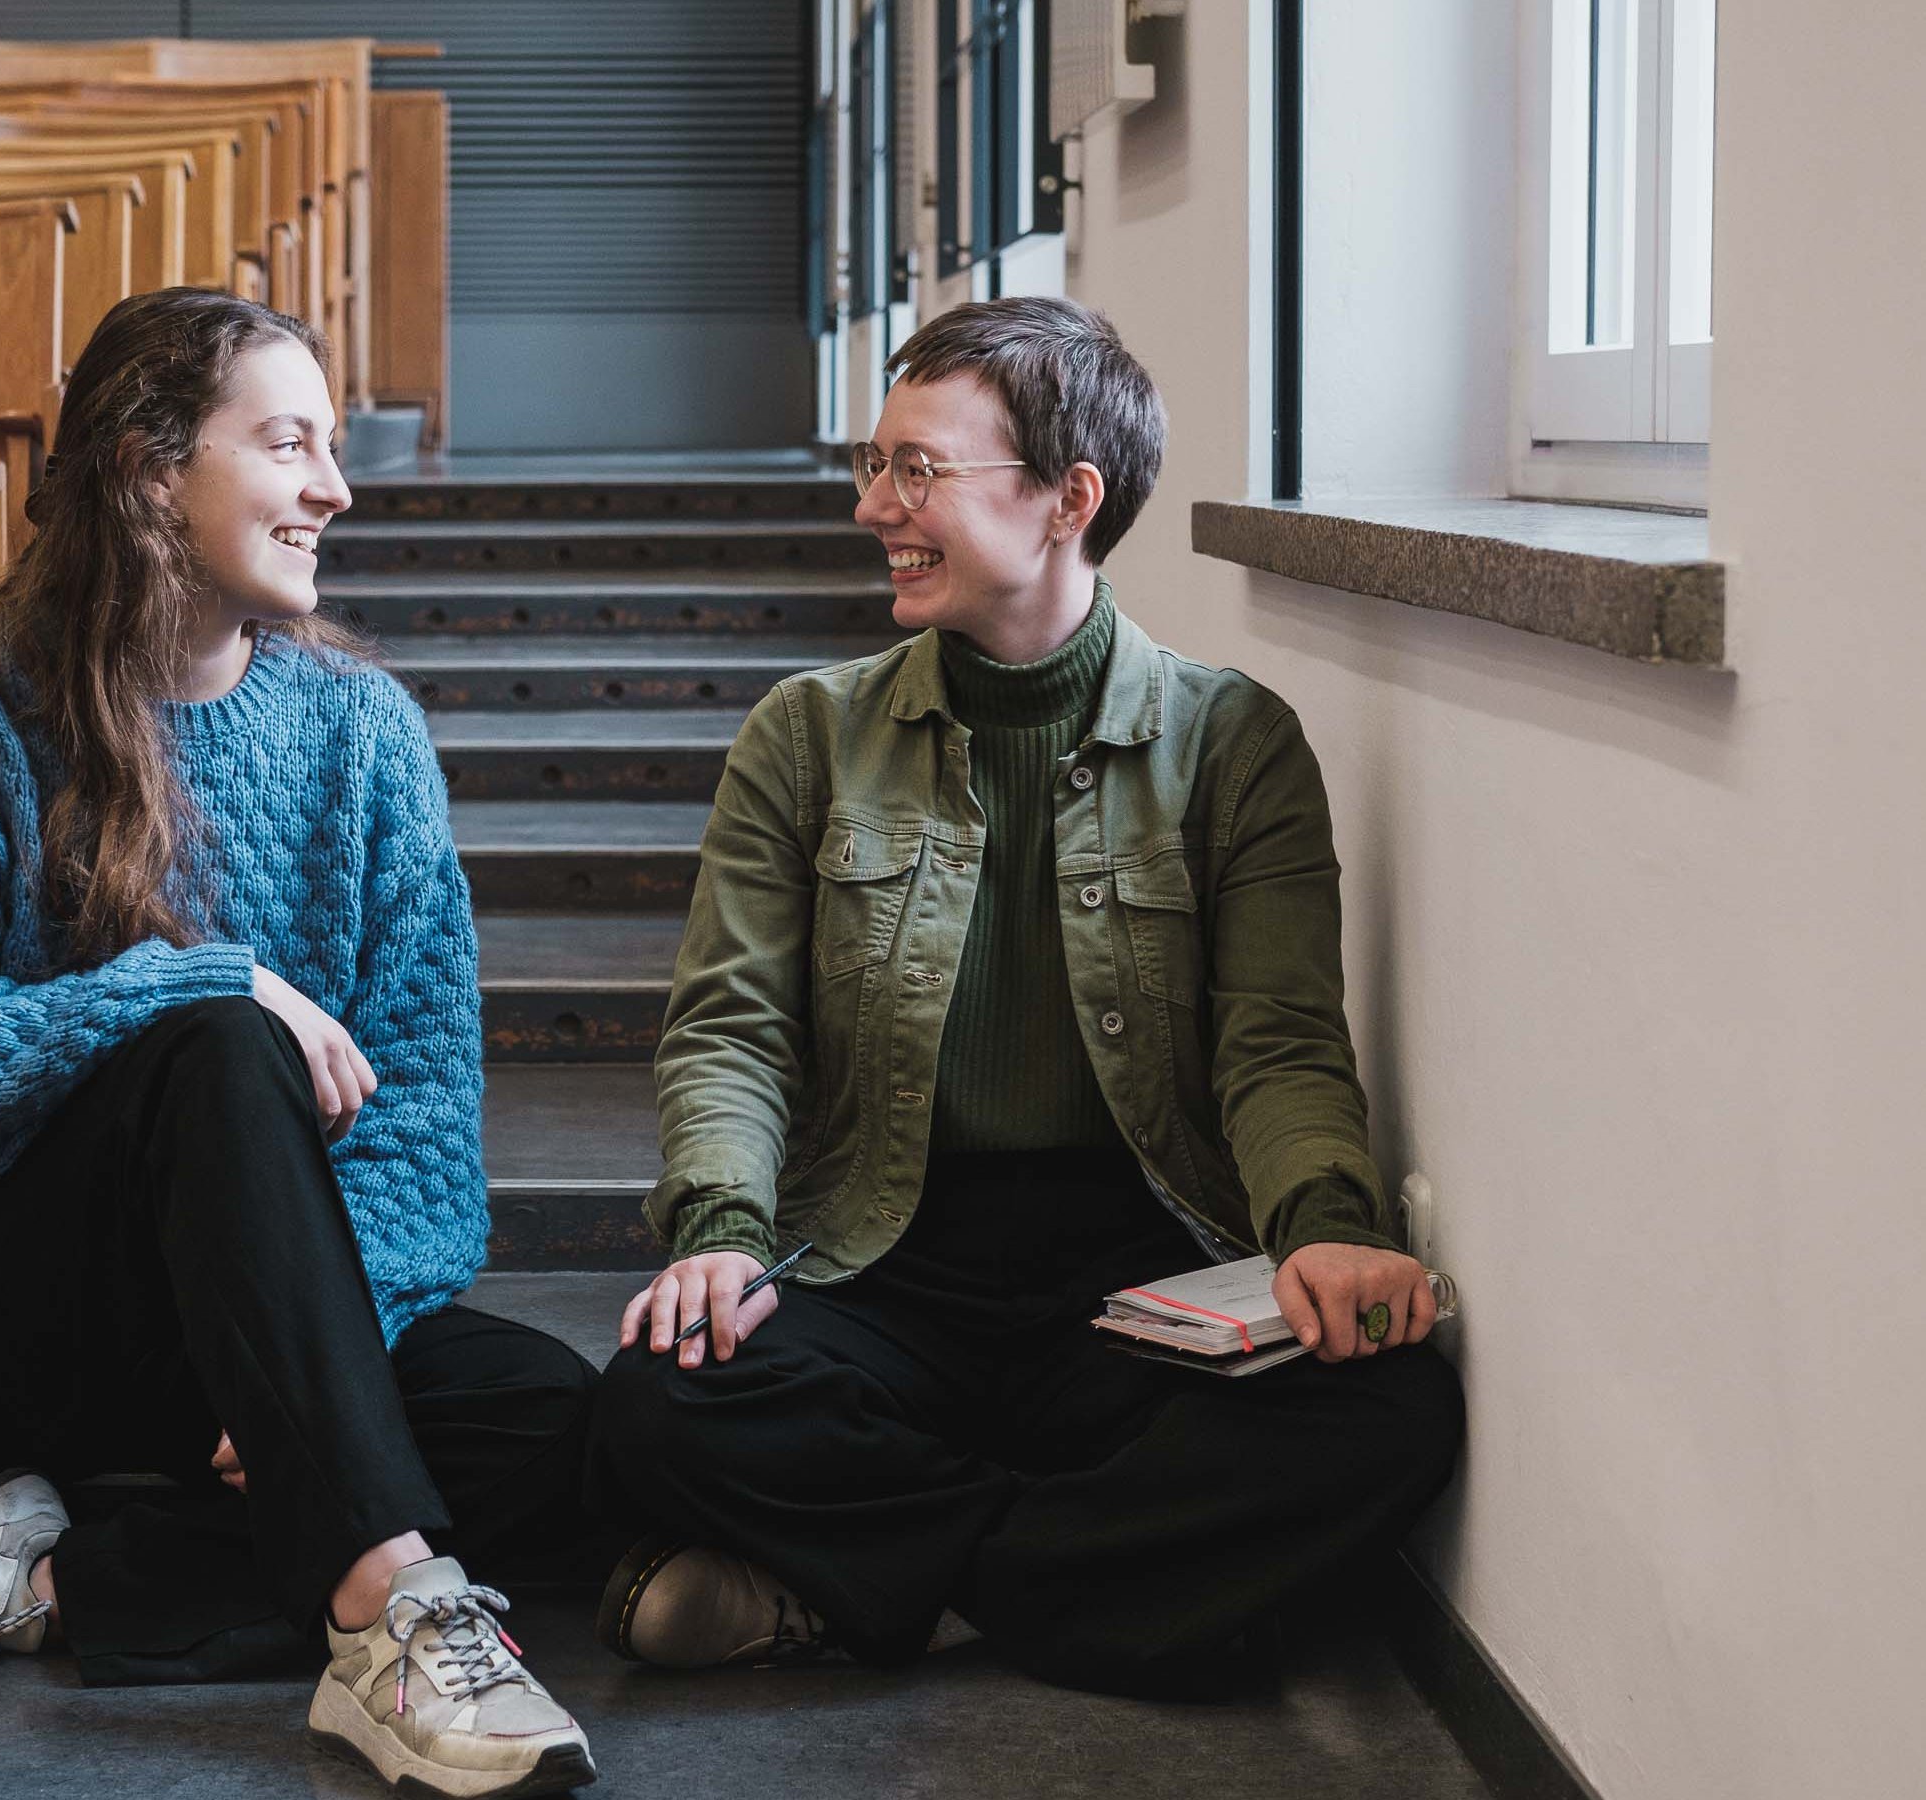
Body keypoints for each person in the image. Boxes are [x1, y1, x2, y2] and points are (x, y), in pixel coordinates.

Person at [0, 287, 600, 1798]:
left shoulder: (361, 729)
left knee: (560, 1429)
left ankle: (32, 1580)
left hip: (248, 1314)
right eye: (289, 443)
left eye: (332, 448)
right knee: (224, 1035)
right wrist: (196, 982)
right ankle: (393, 1626)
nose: (334, 489)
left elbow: (419, 1112)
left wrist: (296, 1366)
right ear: (153, 469)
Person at [586, 296, 1467, 1696]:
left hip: (1135, 1267)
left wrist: (1328, 1230)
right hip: (880, 1256)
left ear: (1070, 498)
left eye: (918, 470)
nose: (877, 505)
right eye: (873, 468)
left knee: (1391, 1403)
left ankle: (890, 1594)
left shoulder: (1233, 744)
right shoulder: (806, 737)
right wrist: (722, 1233)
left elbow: (1280, 1045)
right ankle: (1111, 1586)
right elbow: (734, 1032)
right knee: (656, 1400)